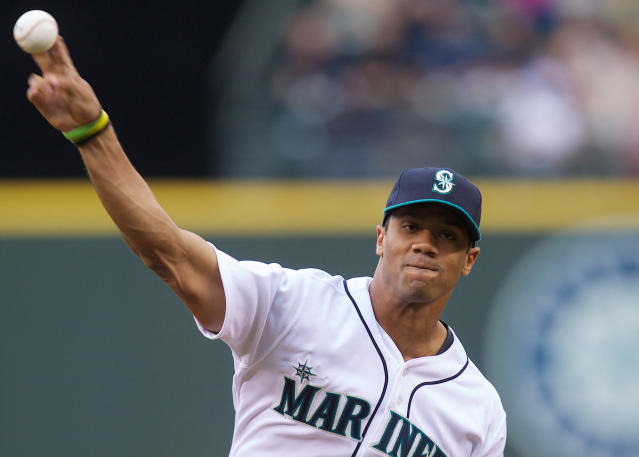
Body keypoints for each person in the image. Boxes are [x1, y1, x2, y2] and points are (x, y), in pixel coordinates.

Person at [26, 37, 506, 457]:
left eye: (447, 236)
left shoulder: (477, 408)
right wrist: (92, 135)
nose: (425, 245)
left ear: (469, 260)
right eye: (411, 227)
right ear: (381, 238)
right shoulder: (291, 304)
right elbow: (166, 251)